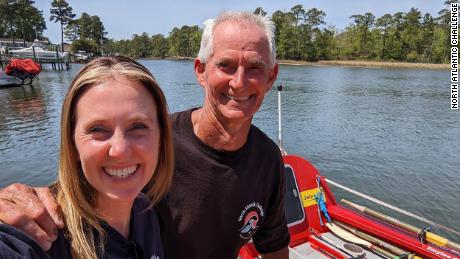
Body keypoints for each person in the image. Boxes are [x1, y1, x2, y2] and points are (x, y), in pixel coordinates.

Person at [0, 11, 289, 259]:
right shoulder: (153, 147)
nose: (238, 82)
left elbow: (273, 242)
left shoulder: (267, 160)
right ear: (200, 71)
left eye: (254, 68)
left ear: (271, 77)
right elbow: (71, 196)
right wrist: (17, 202)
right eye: (225, 65)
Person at [0, 56, 174, 259]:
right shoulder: (41, 232)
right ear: (72, 144)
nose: (119, 150)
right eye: (98, 129)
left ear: (161, 139)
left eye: (138, 126)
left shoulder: (145, 211)